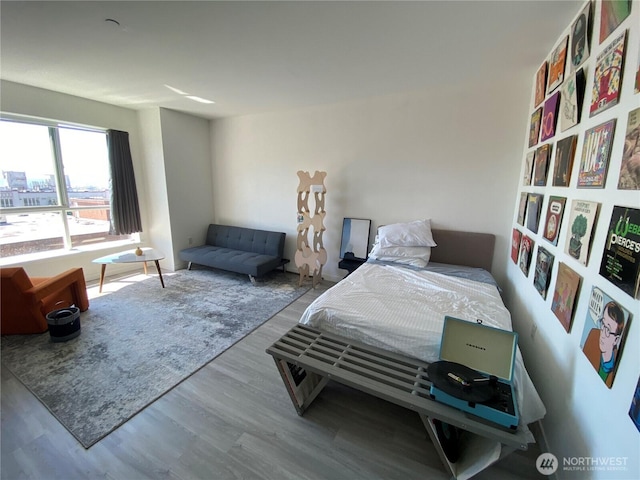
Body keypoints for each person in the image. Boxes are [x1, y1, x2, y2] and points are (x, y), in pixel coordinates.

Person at [582, 301, 626, 388]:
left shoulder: (617, 367)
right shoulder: (593, 336)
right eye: (603, 323)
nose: (602, 333)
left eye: (608, 330)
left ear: (616, 340)